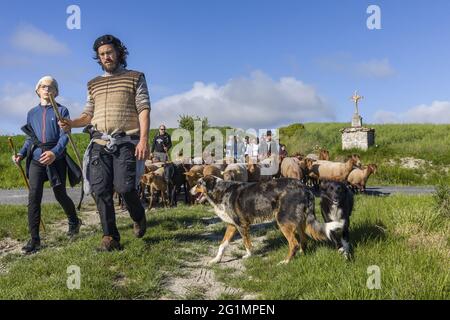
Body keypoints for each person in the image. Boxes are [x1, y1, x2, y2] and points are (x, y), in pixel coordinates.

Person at [59, 35, 150, 251]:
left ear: (119, 53)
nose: (106, 57)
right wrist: (71, 122)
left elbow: (144, 108)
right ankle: (110, 237)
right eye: (102, 54)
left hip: (125, 141)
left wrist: (144, 139)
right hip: (99, 141)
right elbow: (88, 114)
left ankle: (138, 215)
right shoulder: (93, 84)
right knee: (100, 190)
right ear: (98, 58)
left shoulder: (136, 77)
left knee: (125, 187)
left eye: (109, 52)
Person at [14, 76, 82, 253]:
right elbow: (31, 137)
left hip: (56, 158)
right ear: (38, 90)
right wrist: (21, 154)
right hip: (36, 158)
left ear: (56, 92)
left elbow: (65, 135)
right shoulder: (32, 113)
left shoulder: (62, 110)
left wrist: (55, 152)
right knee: (34, 197)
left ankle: (74, 220)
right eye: (43, 86)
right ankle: (34, 239)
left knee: (60, 194)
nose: (47, 89)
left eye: (51, 87)